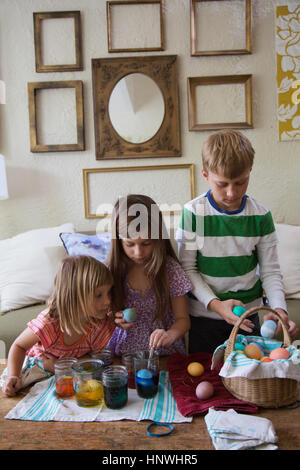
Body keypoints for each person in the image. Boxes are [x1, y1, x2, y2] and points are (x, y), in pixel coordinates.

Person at [176, 129, 299, 353]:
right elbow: (187, 269)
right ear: (205, 175)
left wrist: (280, 309)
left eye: (240, 182)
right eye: (222, 184)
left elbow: (270, 271)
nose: (232, 193)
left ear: (250, 172)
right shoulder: (194, 213)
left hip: (249, 318)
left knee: (250, 383)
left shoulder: (261, 216)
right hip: (205, 318)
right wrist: (216, 305)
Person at [1, 255, 117, 397]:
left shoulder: (99, 325)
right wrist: (13, 376)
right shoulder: (49, 323)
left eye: (109, 292)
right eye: (98, 295)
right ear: (74, 296)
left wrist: (59, 365)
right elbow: (19, 346)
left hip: (64, 372)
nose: (108, 301)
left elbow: (92, 358)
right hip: (38, 366)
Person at [107, 194, 192, 356]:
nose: (138, 252)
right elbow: (100, 319)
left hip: (164, 354)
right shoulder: (112, 272)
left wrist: (170, 334)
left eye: (146, 243)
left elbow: (183, 320)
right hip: (123, 356)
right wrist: (115, 321)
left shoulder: (169, 269)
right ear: (118, 240)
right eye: (129, 244)